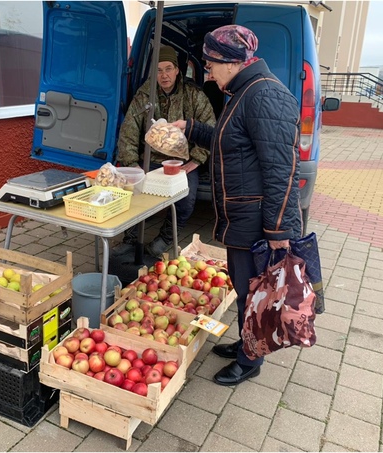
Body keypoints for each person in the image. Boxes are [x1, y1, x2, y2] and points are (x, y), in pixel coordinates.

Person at [172, 25, 302, 386]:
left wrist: (279, 230)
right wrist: (193, 128)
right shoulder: (246, 92)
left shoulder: (264, 96)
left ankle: (250, 360)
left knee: (255, 291)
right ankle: (246, 343)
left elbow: (281, 170)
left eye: (211, 65)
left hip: (258, 218)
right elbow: (234, 140)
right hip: (243, 214)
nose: (208, 74)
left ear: (231, 62)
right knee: (244, 287)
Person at [115, 45, 216, 258]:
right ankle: (131, 238)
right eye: (159, 70)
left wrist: (195, 162)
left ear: (178, 70)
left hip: (181, 163)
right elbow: (129, 130)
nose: (164, 75)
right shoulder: (145, 95)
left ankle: (165, 239)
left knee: (186, 199)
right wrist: (132, 163)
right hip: (150, 159)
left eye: (168, 68)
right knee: (134, 193)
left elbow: (210, 129)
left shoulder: (193, 95)